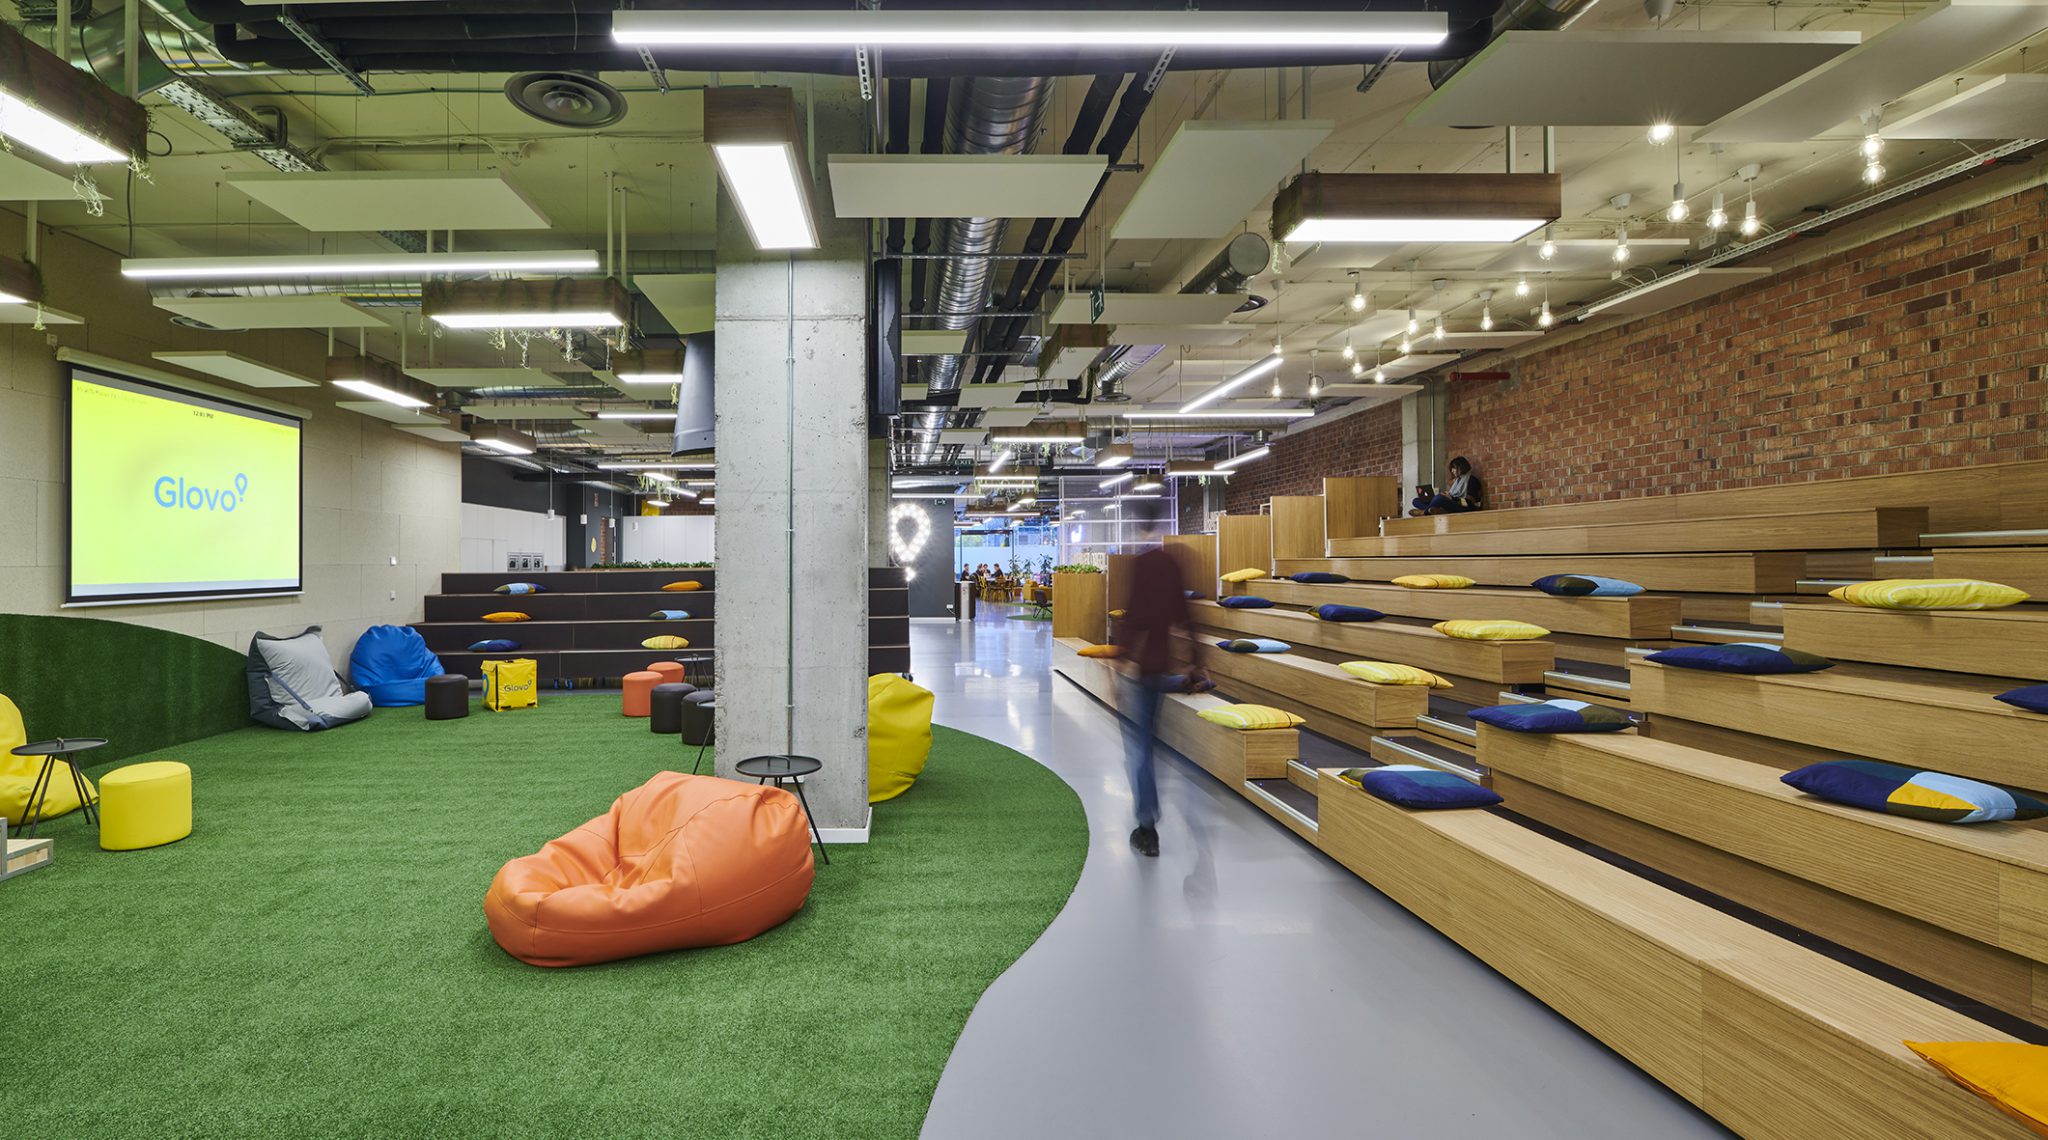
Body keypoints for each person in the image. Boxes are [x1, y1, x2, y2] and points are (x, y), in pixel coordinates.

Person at [1116, 544, 1200, 858]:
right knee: (1148, 746)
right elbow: (1187, 617)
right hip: (1162, 667)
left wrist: (1122, 660)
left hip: (1142, 670)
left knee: (1139, 749)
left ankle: (1147, 828)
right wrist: (1196, 659)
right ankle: (1149, 821)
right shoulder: (1172, 564)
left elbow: (1133, 616)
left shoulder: (1142, 564)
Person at [1410, 456, 1484, 516]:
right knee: (1416, 500)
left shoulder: (1472, 481)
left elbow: (1469, 502)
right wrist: (1447, 496)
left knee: (1439, 498)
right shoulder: (1457, 481)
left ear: (1461, 467)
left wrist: (1451, 498)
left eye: (1454, 468)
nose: (1452, 471)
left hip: (1463, 507)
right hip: (1452, 503)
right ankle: (1435, 511)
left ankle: (1424, 512)